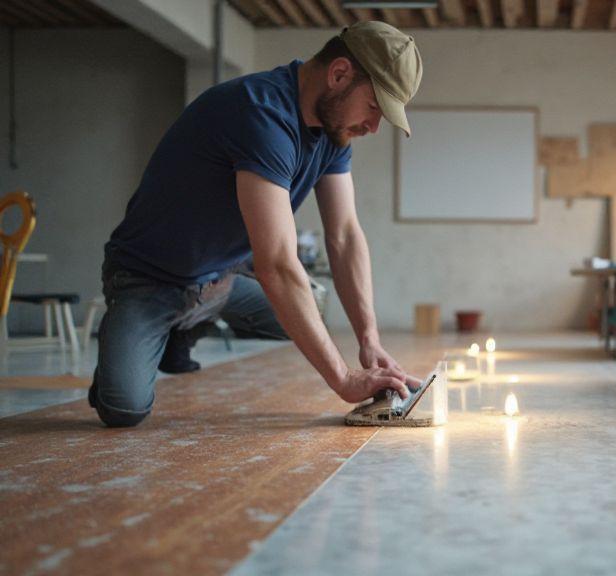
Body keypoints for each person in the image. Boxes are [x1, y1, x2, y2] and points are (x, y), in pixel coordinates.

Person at [90, 21, 422, 427]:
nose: (373, 127)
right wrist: (344, 379)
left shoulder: (333, 130)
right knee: (123, 409)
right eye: (374, 108)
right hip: (149, 277)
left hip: (220, 278)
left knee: (309, 307)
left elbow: (345, 235)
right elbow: (276, 265)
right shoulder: (260, 113)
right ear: (338, 75)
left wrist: (369, 341)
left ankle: (187, 324)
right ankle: (156, 332)